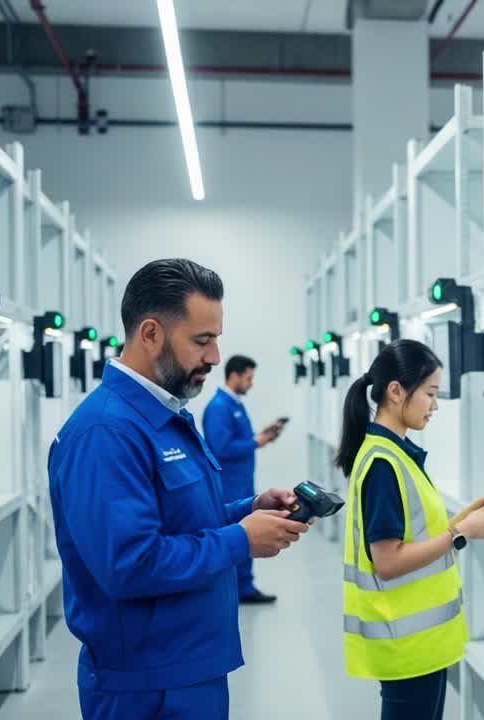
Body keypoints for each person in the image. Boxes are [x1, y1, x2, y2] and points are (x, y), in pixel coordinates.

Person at [48, 259, 312, 720]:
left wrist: (248, 509)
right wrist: (241, 540)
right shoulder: (106, 433)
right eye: (202, 341)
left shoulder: (165, 417)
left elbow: (182, 521)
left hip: (189, 666)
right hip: (147, 687)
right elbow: (129, 564)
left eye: (216, 339)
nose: (215, 357)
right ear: (151, 334)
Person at [336, 339, 484, 720]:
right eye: (430, 394)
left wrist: (464, 520)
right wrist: (461, 533)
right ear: (396, 391)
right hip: (405, 646)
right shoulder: (384, 464)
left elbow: (414, 534)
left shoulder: (395, 453)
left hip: (421, 644)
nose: (435, 405)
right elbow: (388, 562)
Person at [203, 354, 287, 604]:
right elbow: (221, 448)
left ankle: (245, 585)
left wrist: (262, 437)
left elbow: (239, 440)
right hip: (229, 484)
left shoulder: (235, 405)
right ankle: (239, 587)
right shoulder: (219, 407)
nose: (251, 383)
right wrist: (256, 441)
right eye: (248, 378)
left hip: (242, 480)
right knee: (240, 531)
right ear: (234, 376)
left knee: (247, 528)